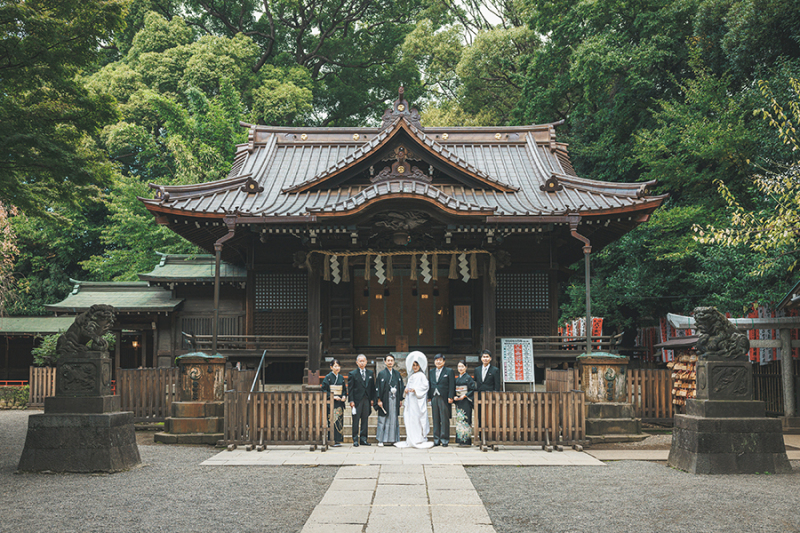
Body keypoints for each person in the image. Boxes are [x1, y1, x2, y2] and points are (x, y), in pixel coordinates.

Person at [394, 351, 433, 449]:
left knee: (418, 420)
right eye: (413, 365)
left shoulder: (422, 376)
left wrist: (416, 390)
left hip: (417, 401)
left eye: (417, 365)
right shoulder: (410, 376)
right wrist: (406, 390)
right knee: (410, 420)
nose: (415, 367)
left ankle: (418, 438)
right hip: (410, 401)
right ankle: (411, 438)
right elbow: (407, 387)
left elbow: (425, 387)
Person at [375, 353, 404, 446]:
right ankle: (381, 440)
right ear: (385, 362)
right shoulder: (381, 374)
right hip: (384, 399)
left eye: (392, 360)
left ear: (394, 362)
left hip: (394, 399)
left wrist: (400, 399)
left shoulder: (397, 374)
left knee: (394, 419)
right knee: (383, 419)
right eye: (388, 360)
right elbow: (378, 387)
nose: (390, 362)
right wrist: (379, 399)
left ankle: (394, 439)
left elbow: (401, 387)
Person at [428, 353, 455, 446]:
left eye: (440, 360)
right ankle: (436, 439)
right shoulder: (431, 371)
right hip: (434, 396)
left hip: (444, 397)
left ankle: (444, 439)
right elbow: (429, 384)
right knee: (435, 418)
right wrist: (429, 397)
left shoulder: (449, 371)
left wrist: (451, 396)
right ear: (434, 361)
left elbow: (452, 384)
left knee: (444, 419)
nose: (438, 362)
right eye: (436, 360)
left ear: (444, 361)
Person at [348, 354, 375, 447]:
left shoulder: (370, 373)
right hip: (357, 400)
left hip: (366, 399)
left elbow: (372, 387)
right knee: (355, 420)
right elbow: (350, 389)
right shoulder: (352, 374)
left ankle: (363, 439)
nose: (362, 363)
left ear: (366, 362)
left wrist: (372, 399)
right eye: (360, 361)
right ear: (357, 362)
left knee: (365, 420)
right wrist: (351, 401)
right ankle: (355, 439)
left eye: (363, 361)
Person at [320, 359, 347, 447]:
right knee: (331, 421)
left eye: (338, 366)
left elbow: (344, 390)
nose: (337, 368)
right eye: (335, 366)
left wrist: (344, 396)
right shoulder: (328, 377)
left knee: (339, 421)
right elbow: (324, 389)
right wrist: (332, 396)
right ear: (331, 367)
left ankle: (338, 440)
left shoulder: (341, 378)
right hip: (331, 402)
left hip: (339, 403)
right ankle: (331, 440)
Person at [473, 349, 501, 427]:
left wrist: (495, 396)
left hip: (490, 395)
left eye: (487, 357)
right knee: (479, 414)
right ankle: (480, 433)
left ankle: (490, 433)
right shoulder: (477, 370)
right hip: (479, 396)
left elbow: (497, 385)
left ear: (490, 358)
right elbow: (475, 382)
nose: (485, 359)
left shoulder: (495, 370)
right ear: (481, 358)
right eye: (484, 357)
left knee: (490, 414)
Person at [454, 360, 477, 446]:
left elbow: (472, 389)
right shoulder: (457, 378)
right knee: (459, 420)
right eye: (459, 366)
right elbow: (454, 389)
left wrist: (465, 395)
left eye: (462, 366)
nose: (460, 368)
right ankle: (460, 440)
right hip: (459, 401)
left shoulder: (468, 378)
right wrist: (454, 396)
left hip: (466, 401)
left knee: (466, 419)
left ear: (466, 368)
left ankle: (466, 441)